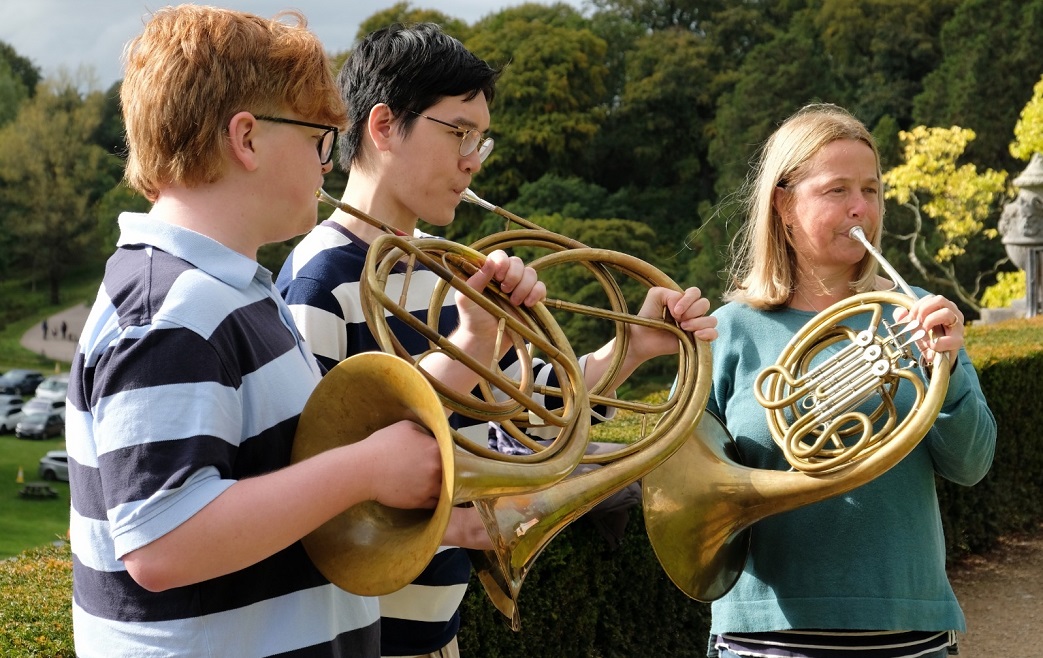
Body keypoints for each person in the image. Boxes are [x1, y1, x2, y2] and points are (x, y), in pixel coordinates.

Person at [277, 22, 718, 658]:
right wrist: (451, 528)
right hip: (364, 635)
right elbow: (314, 481)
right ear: (381, 127)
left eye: (481, 141)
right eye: (458, 132)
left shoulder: (445, 269)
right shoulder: (322, 279)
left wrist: (638, 346)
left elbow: (530, 409)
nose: (471, 161)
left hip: (438, 635)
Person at [65, 7, 455, 657]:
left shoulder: (234, 290)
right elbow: (164, 543)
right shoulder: (172, 311)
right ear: (246, 138)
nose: (328, 164)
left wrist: (472, 342)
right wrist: (363, 470)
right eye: (318, 140)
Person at [702, 103, 997, 657]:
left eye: (871, 190)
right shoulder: (729, 331)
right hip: (767, 628)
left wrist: (950, 367)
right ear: (784, 205)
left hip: (906, 622)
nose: (860, 208)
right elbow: (682, 470)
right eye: (837, 191)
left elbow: (972, 465)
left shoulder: (917, 320)